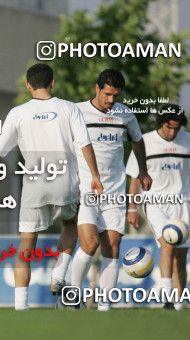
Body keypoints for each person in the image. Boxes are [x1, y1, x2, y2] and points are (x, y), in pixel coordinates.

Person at [0, 63, 103, 310]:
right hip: (66, 183)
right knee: (71, 224)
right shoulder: (69, 109)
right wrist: (95, 176)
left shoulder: (18, 113)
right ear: (52, 83)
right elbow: (85, 145)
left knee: (26, 246)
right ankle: (59, 273)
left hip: (34, 188)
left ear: (28, 86)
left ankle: (20, 307)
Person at [69, 69, 152, 311]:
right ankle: (74, 296)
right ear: (97, 88)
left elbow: (137, 140)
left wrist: (144, 171)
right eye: (107, 94)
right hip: (86, 188)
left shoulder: (125, 113)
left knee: (113, 246)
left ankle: (105, 308)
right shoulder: (77, 111)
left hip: (115, 190)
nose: (111, 100)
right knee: (90, 243)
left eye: (116, 95)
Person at [126, 104, 189, 310]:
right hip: (156, 203)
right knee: (167, 245)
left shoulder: (188, 141)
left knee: (181, 256)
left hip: (183, 203)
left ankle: (179, 305)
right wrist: (132, 208)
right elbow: (135, 178)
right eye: (169, 127)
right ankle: (167, 299)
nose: (172, 132)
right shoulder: (144, 142)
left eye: (176, 128)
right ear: (161, 123)